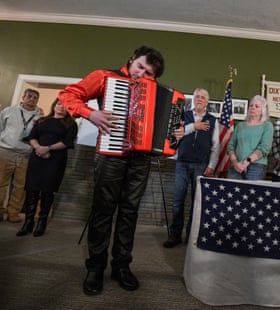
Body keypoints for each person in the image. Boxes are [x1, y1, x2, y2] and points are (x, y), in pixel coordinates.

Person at [58, 46, 182, 296]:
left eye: (149, 73)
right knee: (103, 211)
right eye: (140, 67)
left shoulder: (157, 92)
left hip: (140, 160)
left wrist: (175, 134)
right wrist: (91, 114)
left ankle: (121, 266)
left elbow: (168, 134)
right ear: (132, 59)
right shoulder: (106, 77)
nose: (142, 74)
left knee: (129, 213)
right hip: (110, 157)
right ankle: (95, 268)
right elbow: (68, 95)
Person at [163, 88, 219, 248]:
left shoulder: (213, 120)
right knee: (177, 201)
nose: (199, 99)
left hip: (201, 165)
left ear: (207, 101)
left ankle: (191, 235)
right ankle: (175, 234)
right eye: (197, 97)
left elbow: (216, 146)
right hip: (182, 162)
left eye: (203, 97)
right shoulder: (184, 116)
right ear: (193, 99)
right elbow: (175, 134)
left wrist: (212, 166)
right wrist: (194, 126)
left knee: (197, 202)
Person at [16, 99, 78, 237]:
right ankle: (28, 222)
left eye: (65, 106)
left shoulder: (70, 124)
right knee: (31, 190)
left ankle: (41, 222)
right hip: (37, 158)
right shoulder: (42, 120)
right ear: (54, 105)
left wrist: (47, 148)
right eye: (58, 104)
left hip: (55, 160)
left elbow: (67, 142)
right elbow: (32, 137)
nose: (61, 107)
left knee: (47, 191)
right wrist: (38, 148)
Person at [0, 88, 42, 223]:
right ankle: (0, 211)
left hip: (26, 155)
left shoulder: (40, 118)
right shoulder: (9, 111)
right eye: (29, 96)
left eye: (35, 97)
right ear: (23, 97)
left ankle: (14, 213)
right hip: (6, 152)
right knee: (1, 184)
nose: (32, 99)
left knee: (20, 186)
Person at [227, 95, 273, 180]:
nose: (253, 108)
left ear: (263, 110)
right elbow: (230, 146)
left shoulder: (267, 126)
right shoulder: (240, 126)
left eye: (256, 106)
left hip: (256, 167)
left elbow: (264, 148)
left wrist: (246, 162)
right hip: (236, 166)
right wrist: (236, 163)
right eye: (251, 106)